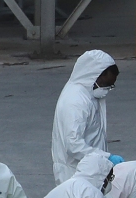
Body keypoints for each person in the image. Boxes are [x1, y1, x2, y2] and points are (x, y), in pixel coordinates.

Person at [51, 49, 123, 186]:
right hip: (75, 172)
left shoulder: (89, 93)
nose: (106, 89)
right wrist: (106, 157)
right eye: (106, 84)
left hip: (90, 169)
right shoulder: (76, 101)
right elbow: (73, 145)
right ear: (94, 75)